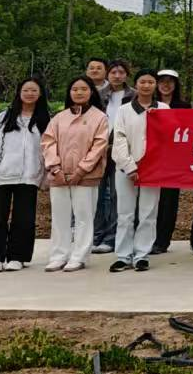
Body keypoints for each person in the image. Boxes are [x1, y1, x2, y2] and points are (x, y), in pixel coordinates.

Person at [0, 77, 47, 273]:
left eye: (34, 90)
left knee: (24, 219)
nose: (30, 93)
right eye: (26, 90)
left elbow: (48, 149)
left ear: (41, 94)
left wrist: (45, 176)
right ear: (19, 93)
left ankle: (17, 257)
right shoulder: (4, 117)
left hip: (29, 177)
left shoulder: (44, 119)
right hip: (2, 175)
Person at [42, 77, 109, 272]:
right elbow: (48, 142)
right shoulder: (59, 117)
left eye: (84, 89)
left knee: (84, 216)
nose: (79, 92)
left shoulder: (100, 117)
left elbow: (99, 145)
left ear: (91, 92)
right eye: (75, 89)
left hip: (86, 175)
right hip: (59, 175)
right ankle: (58, 255)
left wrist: (81, 170)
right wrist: (55, 168)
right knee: (59, 217)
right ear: (69, 92)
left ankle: (80, 256)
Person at [108, 69, 167, 273]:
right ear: (136, 84)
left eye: (151, 82)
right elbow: (119, 138)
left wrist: (155, 165)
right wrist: (129, 166)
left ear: (155, 85)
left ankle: (142, 254)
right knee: (124, 214)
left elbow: (168, 139)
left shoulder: (163, 109)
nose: (146, 86)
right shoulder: (124, 110)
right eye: (143, 82)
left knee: (148, 213)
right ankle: (123, 256)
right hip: (126, 168)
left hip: (153, 169)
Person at [89, 59, 130, 254]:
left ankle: (111, 237)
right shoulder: (97, 95)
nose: (117, 76)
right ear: (108, 74)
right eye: (114, 72)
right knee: (96, 194)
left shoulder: (133, 95)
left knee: (116, 194)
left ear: (127, 75)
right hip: (99, 149)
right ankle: (95, 234)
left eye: (121, 72)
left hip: (121, 150)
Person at [150, 69, 187, 256]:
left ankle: (162, 241)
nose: (166, 85)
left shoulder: (184, 106)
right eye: (162, 81)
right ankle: (148, 238)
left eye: (170, 81)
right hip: (151, 159)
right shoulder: (149, 104)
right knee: (150, 200)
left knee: (169, 201)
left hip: (173, 160)